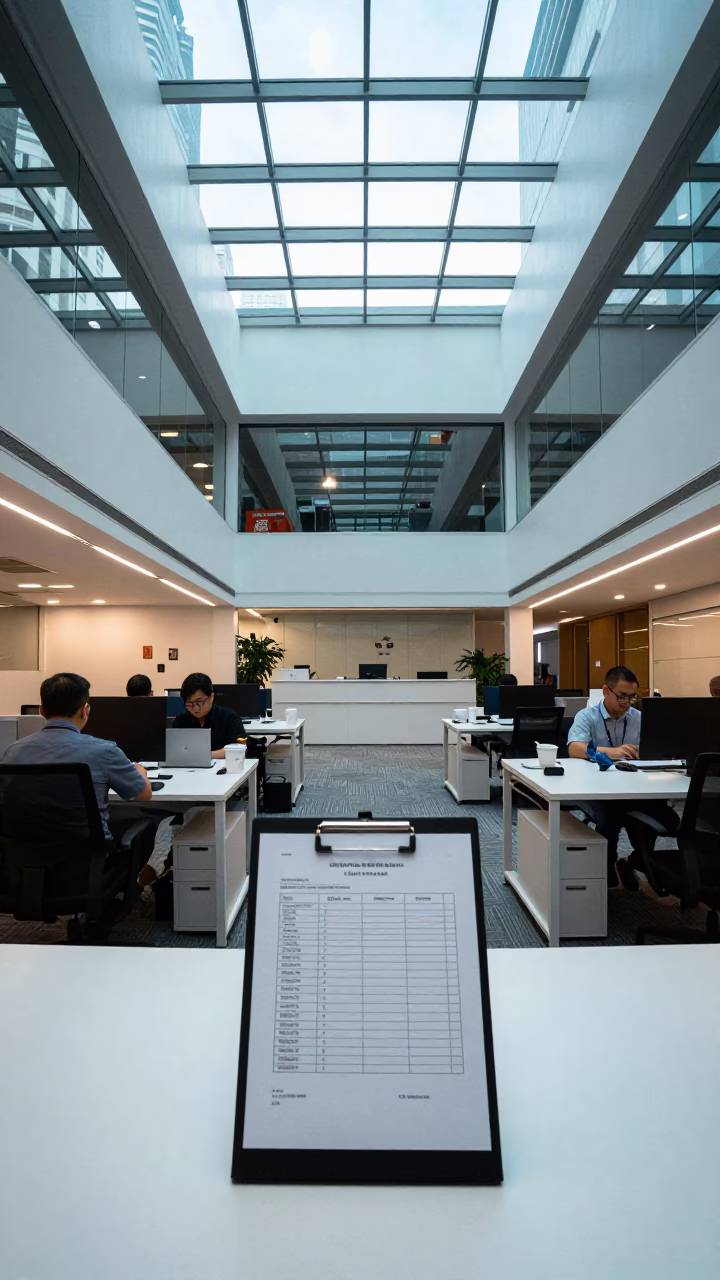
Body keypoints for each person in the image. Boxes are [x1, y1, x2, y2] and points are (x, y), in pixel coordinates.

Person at [567, 665, 679, 889]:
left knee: (668, 819)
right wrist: (612, 752)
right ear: (605, 691)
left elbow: (657, 748)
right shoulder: (587, 716)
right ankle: (606, 865)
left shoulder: (638, 718)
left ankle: (637, 861)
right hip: (598, 789)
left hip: (636, 787)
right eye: (621, 696)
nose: (627, 702)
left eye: (631, 697)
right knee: (610, 817)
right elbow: (575, 748)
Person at [172, 673, 245, 759]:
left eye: (199, 702)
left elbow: (240, 747)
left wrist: (205, 756)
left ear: (211, 697)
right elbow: (173, 750)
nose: (195, 708)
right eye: (189, 703)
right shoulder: (181, 720)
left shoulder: (229, 718)